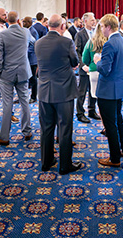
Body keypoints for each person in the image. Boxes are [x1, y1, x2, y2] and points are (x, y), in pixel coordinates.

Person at [35, 14, 83, 175]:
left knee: (46, 128)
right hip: (63, 92)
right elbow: (75, 62)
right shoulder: (66, 41)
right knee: (64, 128)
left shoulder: (39, 43)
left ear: (48, 25)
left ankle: (46, 162)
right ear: (62, 26)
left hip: (44, 91)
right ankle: (65, 165)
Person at [95, 14, 123, 167]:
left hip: (107, 91)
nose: (101, 30)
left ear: (108, 27)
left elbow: (104, 70)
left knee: (110, 125)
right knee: (118, 120)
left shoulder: (109, 44)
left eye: (102, 26)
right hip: (120, 87)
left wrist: (97, 61)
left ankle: (115, 158)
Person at [0, 11, 33, 146]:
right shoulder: (26, 32)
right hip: (23, 72)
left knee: (7, 104)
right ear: (18, 20)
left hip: (6, 74)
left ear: (6, 21)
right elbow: (33, 43)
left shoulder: (2, 34)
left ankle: (4, 136)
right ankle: (27, 131)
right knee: (24, 101)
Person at [74, 12, 99, 122]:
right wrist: (83, 65)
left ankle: (92, 110)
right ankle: (80, 113)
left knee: (93, 90)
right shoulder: (80, 34)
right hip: (84, 68)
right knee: (82, 91)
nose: (94, 22)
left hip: (94, 68)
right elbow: (77, 52)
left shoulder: (96, 33)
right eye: (92, 20)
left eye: (94, 20)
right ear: (85, 22)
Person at [22, 16, 40, 104]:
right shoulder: (25, 30)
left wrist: (24, 51)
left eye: (25, 22)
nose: (23, 23)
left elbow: (34, 46)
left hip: (32, 59)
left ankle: (34, 97)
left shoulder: (33, 31)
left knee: (33, 79)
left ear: (29, 22)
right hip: (26, 58)